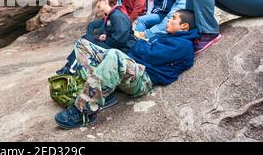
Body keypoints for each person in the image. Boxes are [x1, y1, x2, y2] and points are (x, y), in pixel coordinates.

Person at [54, 9, 199, 129]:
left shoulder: (183, 45)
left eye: (173, 18)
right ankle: (106, 94)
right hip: (134, 68)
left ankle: (84, 111)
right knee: (84, 44)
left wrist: (136, 42)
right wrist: (140, 44)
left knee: (114, 55)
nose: (168, 20)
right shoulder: (169, 38)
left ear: (184, 26)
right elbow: (145, 49)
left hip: (144, 79)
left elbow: (150, 54)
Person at [55, 0, 136, 75]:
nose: (98, 4)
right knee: (86, 39)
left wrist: (104, 39)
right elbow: (115, 33)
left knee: (85, 42)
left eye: (100, 1)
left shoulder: (117, 16)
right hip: (116, 46)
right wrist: (106, 36)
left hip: (124, 50)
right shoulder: (111, 15)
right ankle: (70, 66)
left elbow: (120, 40)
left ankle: (70, 69)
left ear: (105, 1)